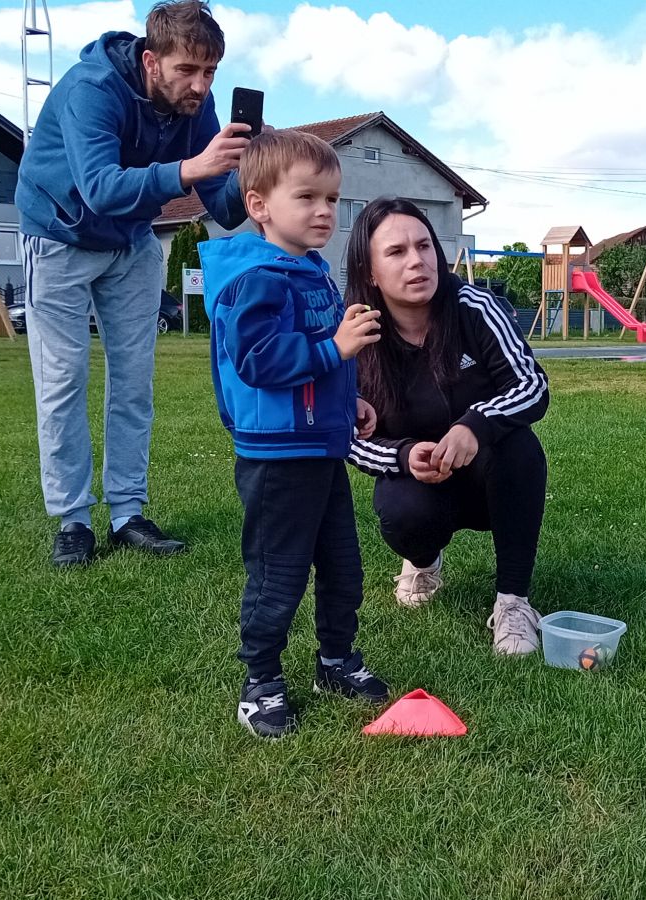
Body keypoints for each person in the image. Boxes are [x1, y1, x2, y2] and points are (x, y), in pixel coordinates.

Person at [16, 0, 254, 567]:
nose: (200, 86)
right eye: (187, 70)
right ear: (151, 61)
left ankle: (127, 514)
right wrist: (190, 169)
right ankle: (73, 520)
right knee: (63, 381)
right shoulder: (92, 89)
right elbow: (99, 187)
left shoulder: (197, 106)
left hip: (130, 241)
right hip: (60, 234)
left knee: (133, 382)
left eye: (210, 72)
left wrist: (251, 171)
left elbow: (222, 207)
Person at [200, 130, 389, 739]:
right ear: (258, 205)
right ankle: (260, 682)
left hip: (321, 448)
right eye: (306, 197)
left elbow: (316, 360)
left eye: (332, 199)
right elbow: (258, 361)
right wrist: (336, 348)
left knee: (343, 566)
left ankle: (335, 661)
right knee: (278, 574)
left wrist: (347, 399)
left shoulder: (309, 271)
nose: (324, 211)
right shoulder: (257, 277)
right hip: (277, 458)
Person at [345, 198, 552, 656]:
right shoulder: (356, 336)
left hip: (490, 476)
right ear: (370, 272)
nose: (417, 261)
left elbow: (532, 385)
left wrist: (475, 425)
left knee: (520, 449)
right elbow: (346, 435)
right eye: (396, 252)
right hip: (419, 484)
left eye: (424, 246)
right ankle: (422, 561)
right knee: (402, 513)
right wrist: (403, 455)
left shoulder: (475, 307)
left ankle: (513, 601)